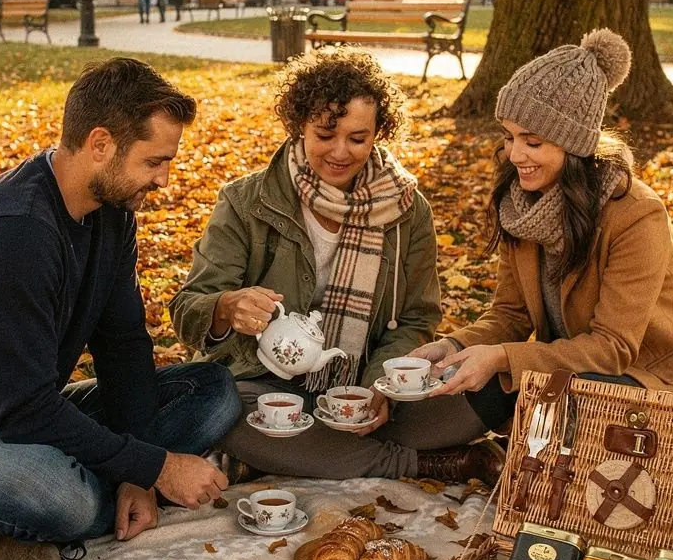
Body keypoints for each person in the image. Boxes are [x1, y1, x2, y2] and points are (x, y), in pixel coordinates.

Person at [0, 58, 241, 560]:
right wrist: (157, 465)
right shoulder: (14, 232)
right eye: (154, 162)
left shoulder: (111, 213)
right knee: (62, 497)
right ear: (101, 143)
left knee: (214, 388)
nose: (165, 179)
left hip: (20, 413)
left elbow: (124, 345)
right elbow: (23, 412)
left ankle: (40, 510)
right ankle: (16, 512)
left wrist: (138, 474)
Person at [170, 50, 503, 486]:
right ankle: (435, 463)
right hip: (263, 387)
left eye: (358, 138)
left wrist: (377, 388)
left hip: (366, 384)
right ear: (299, 126)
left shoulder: (408, 210)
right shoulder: (246, 201)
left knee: (477, 396)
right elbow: (187, 307)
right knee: (224, 413)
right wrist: (226, 307)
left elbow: (418, 318)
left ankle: (293, 456)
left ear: (379, 133)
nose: (340, 152)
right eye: (325, 135)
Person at [411, 29, 673, 431]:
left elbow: (613, 350)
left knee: (556, 406)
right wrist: (453, 346)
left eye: (533, 142)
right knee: (419, 419)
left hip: (651, 386)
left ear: (572, 144)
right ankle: (479, 458)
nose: (515, 154)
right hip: (564, 374)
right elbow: (509, 315)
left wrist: (504, 358)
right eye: (509, 137)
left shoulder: (636, 215)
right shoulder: (521, 202)